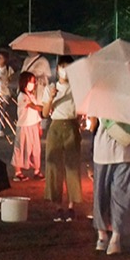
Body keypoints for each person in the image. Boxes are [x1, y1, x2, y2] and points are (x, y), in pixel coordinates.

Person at [43, 56, 84, 222]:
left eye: (69, 67)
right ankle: (58, 207)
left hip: (72, 126)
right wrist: (52, 97)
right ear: (58, 68)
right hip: (56, 127)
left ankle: (71, 206)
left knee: (72, 167)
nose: (65, 70)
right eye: (62, 67)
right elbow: (45, 113)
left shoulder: (77, 88)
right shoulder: (50, 88)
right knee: (54, 166)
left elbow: (81, 109)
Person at [92, 117, 130, 255]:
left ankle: (102, 236)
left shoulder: (99, 98)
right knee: (121, 195)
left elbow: (93, 123)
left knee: (100, 195)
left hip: (102, 152)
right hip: (124, 151)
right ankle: (115, 239)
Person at [11, 72, 43, 181]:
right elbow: (34, 107)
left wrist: (38, 126)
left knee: (36, 149)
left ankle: (37, 171)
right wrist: (47, 107)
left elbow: (36, 113)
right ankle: (17, 172)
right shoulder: (22, 96)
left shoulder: (31, 95)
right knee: (20, 148)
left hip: (33, 125)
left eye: (33, 82)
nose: (33, 84)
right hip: (24, 126)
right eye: (31, 81)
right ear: (24, 82)